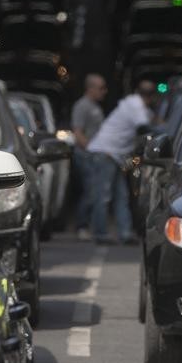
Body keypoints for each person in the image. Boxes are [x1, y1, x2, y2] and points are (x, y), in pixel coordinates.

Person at [87, 80, 157, 245]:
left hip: (114, 155)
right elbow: (143, 128)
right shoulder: (136, 105)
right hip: (106, 152)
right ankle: (101, 233)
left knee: (121, 195)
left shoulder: (133, 104)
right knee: (104, 195)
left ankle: (124, 233)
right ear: (151, 97)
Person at [71, 74, 107, 240]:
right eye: (101, 88)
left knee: (95, 191)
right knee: (90, 192)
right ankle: (81, 225)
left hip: (95, 155)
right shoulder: (82, 106)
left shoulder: (95, 106)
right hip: (85, 156)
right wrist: (90, 148)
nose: (104, 92)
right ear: (90, 88)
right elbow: (77, 132)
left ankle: (90, 225)